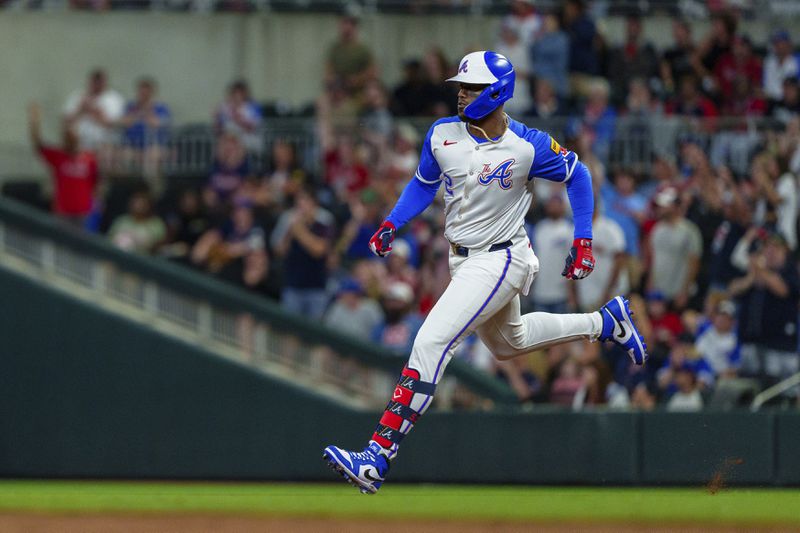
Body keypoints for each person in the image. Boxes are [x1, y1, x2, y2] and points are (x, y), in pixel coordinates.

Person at [323, 51, 648, 494]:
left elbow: (579, 174)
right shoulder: (442, 134)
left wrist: (584, 238)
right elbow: (423, 184)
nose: (461, 93)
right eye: (461, 85)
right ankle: (605, 322)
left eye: (471, 87)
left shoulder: (526, 144)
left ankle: (378, 455)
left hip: (502, 257)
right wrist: (392, 223)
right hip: (463, 258)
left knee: (431, 341)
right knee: (508, 343)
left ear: (496, 92)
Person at [28, 103, 99, 227]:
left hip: (83, 212)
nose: (69, 140)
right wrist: (35, 123)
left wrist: (96, 204)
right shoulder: (58, 157)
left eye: (72, 137)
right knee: (62, 243)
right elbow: (38, 145)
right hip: (63, 211)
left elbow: (95, 183)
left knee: (82, 244)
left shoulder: (89, 159)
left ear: (77, 139)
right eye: (66, 138)